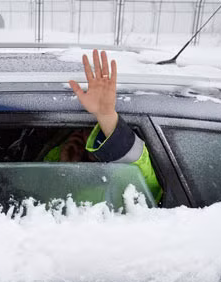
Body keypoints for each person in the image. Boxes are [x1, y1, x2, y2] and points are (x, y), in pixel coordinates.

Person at [44, 49, 163, 204]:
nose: (89, 138)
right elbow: (41, 199)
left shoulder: (127, 179)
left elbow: (143, 181)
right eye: (84, 130)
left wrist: (106, 115)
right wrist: (66, 170)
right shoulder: (56, 157)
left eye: (99, 132)